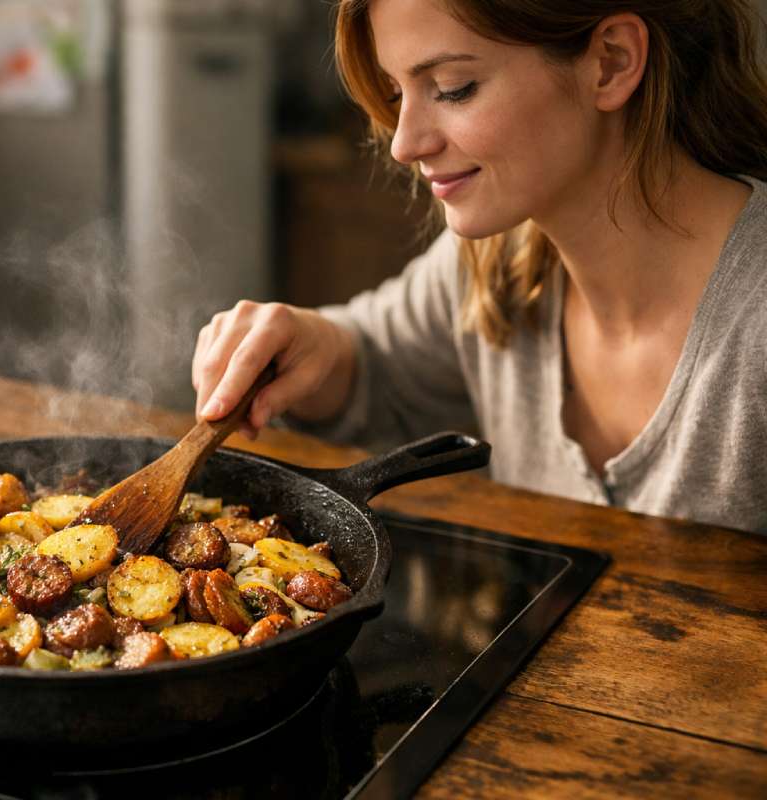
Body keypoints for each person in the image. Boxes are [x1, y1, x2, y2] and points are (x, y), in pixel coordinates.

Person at [191, 0, 767, 533]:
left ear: (611, 63)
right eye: (397, 92)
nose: (404, 144)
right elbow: (373, 362)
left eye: (453, 88)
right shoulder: (498, 261)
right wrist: (313, 341)